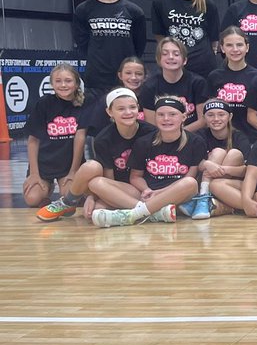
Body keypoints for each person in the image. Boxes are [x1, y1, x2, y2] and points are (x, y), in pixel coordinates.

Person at [36, 87, 154, 223]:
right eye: (121, 109)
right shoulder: (103, 139)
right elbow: (110, 179)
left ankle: (147, 212)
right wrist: (94, 197)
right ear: (110, 112)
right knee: (92, 174)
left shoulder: (151, 133)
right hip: (118, 188)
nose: (128, 112)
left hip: (144, 189)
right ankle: (69, 202)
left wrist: (95, 196)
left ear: (138, 108)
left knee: (95, 185)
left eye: (132, 107)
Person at [91, 96, 205, 227]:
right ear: (155, 118)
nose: (166, 119)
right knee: (95, 182)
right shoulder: (143, 142)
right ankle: (154, 213)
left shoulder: (195, 141)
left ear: (183, 117)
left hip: (176, 194)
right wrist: (146, 190)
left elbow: (191, 176)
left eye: (172, 114)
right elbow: (135, 177)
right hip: (146, 194)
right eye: (161, 115)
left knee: (190, 183)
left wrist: (160, 193)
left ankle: (134, 215)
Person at [72, 0, 147, 95]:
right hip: (95, 81)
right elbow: (82, 46)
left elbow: (139, 48)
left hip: (126, 81)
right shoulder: (83, 10)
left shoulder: (135, 11)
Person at [23, 64, 89, 208]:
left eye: (68, 81)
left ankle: (62, 183)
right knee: (32, 199)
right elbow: (33, 140)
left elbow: (80, 139)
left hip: (68, 163)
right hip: (44, 163)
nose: (63, 85)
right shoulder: (44, 103)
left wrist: (73, 171)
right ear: (52, 84)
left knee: (70, 198)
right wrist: (34, 173)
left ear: (77, 83)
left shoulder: (83, 104)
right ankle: (48, 187)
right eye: (58, 81)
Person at [151, 0, 220, 78]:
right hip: (174, 65)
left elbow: (214, 41)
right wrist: (171, 55)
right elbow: (159, 35)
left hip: (203, 66)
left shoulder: (208, 3)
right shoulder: (160, 2)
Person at [206, 25, 257, 138]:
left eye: (239, 45)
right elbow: (210, 113)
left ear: (247, 47)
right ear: (222, 48)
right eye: (229, 45)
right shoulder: (214, 77)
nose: (235, 49)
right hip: (220, 139)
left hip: (250, 140)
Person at [140, 37, 207, 131]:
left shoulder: (198, 82)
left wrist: (179, 135)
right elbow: (151, 125)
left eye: (176, 54)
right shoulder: (149, 86)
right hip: (161, 137)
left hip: (192, 136)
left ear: (184, 60)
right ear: (158, 60)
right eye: (165, 54)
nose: (171, 57)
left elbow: (203, 121)